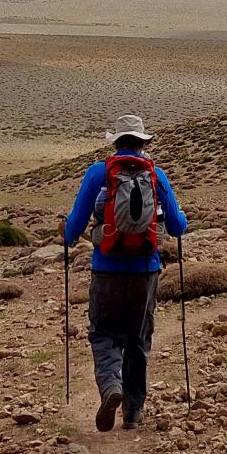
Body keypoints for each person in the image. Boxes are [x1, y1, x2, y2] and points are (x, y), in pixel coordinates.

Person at [62, 114, 188, 432]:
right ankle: (133, 412)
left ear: (116, 142)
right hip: (146, 271)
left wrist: (65, 235)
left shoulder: (97, 173)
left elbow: (74, 226)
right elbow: (176, 226)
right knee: (138, 339)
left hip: (106, 270)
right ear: (143, 143)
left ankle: (110, 386)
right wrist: (184, 217)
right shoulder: (156, 174)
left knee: (103, 333)